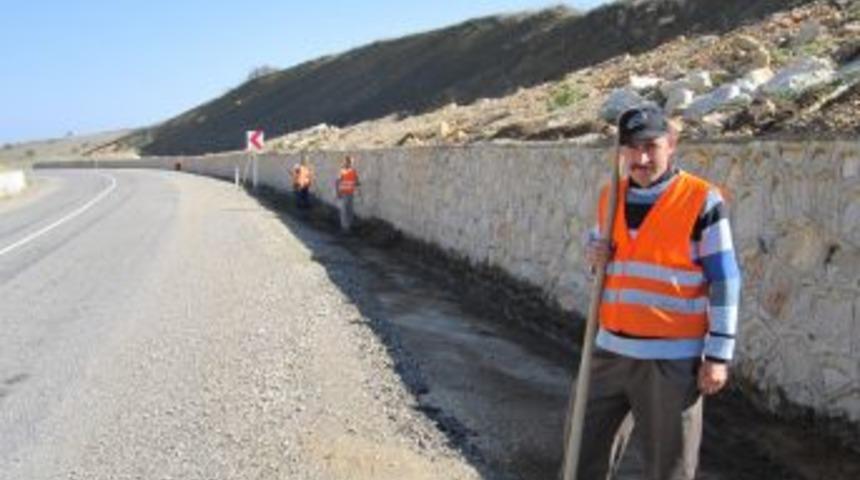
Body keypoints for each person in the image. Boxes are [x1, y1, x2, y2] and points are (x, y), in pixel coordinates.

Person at [570, 106, 741, 480]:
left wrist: (718, 355)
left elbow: (725, 279)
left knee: (669, 469)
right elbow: (608, 263)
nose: (641, 158)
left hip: (672, 362)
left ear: (672, 145)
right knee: (581, 456)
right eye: (631, 148)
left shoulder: (702, 200)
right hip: (608, 351)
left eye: (651, 146)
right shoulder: (609, 196)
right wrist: (594, 256)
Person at [335, 155, 360, 233]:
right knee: (344, 211)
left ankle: (349, 226)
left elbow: (356, 181)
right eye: (349, 162)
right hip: (344, 193)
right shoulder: (342, 171)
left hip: (351, 193)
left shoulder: (354, 171)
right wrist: (338, 192)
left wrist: (357, 183)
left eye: (352, 162)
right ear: (346, 162)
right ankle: (345, 228)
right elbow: (337, 182)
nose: (351, 163)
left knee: (350, 211)